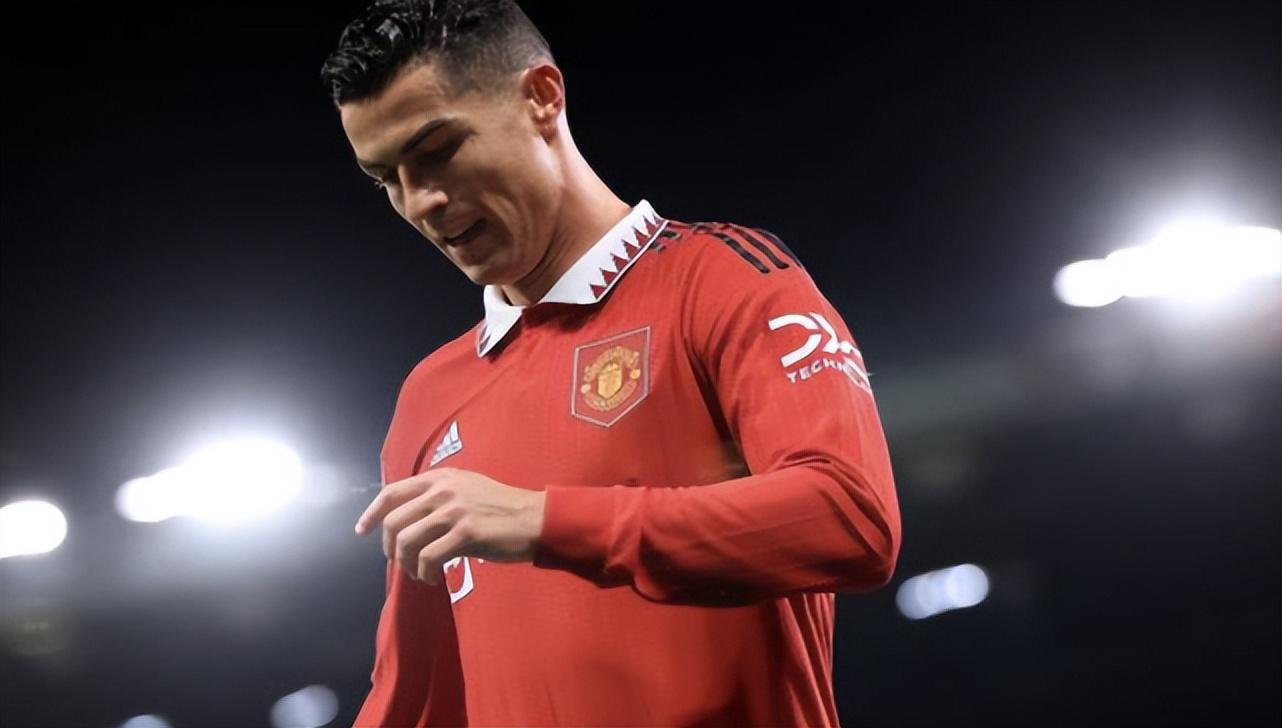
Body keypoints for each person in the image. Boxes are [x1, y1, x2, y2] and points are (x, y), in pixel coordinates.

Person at [321, 1, 902, 725]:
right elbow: (414, 696)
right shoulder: (428, 397)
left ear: (541, 98)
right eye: (387, 178)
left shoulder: (724, 279)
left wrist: (543, 520)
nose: (421, 202)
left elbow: (852, 518)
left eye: (438, 150)